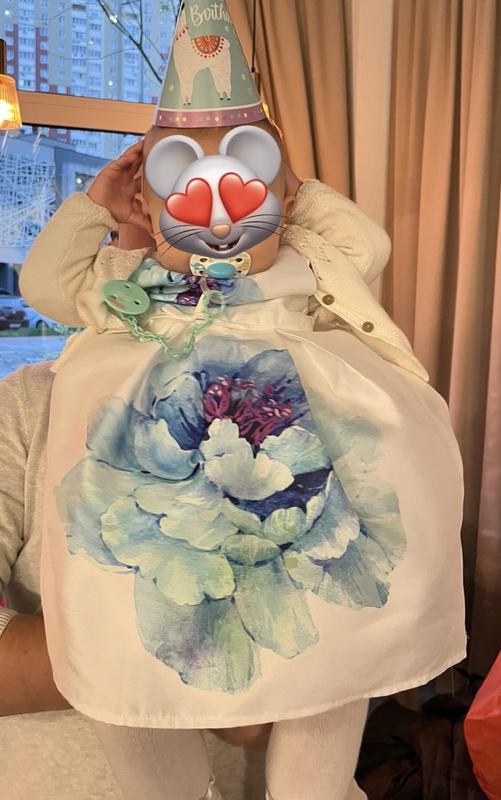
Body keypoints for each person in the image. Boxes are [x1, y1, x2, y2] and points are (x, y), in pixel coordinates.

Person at [18, 2, 466, 799]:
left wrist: (299, 190)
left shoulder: (306, 266)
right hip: (160, 490)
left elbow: (369, 246)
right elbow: (45, 286)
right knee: (117, 642)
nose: (219, 220)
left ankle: (311, 790)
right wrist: (97, 205)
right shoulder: (129, 284)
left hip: (297, 482)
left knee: (334, 645)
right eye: (180, 192)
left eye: (249, 188)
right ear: (146, 208)